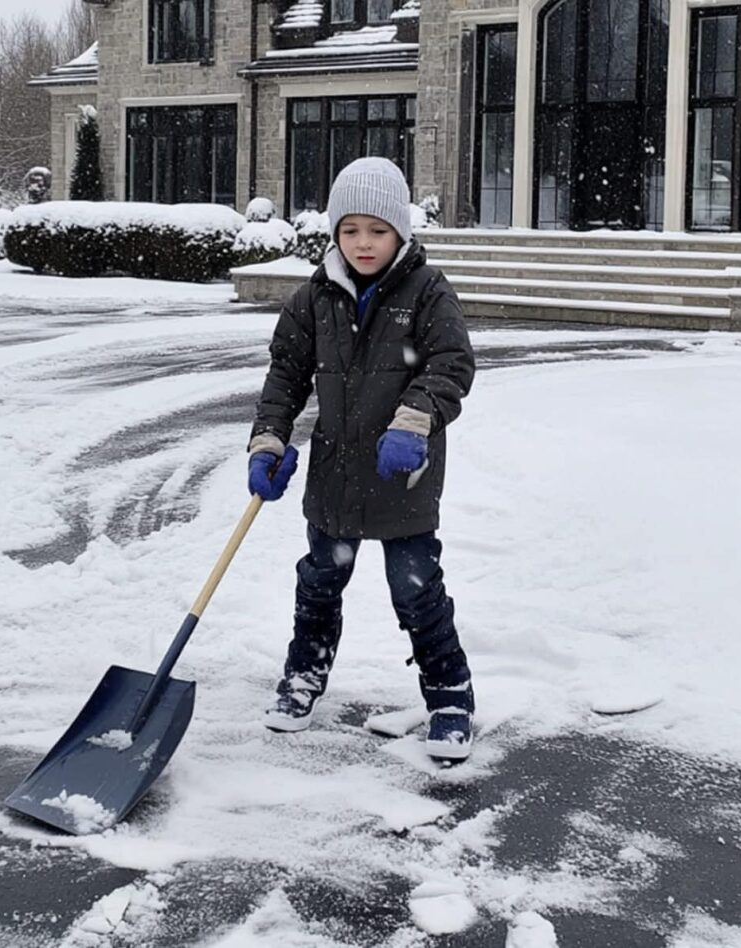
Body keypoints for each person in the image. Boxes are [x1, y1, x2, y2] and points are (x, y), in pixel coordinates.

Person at [247, 157, 476, 761]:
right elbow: (285, 378)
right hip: (336, 473)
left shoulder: (427, 292)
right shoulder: (311, 298)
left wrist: (414, 419)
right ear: (334, 232)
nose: (363, 243)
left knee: (416, 589)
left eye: (377, 230)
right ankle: (303, 677)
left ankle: (450, 695)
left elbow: (450, 364)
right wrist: (269, 440)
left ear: (401, 230)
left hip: (404, 473)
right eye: (350, 230)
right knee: (319, 582)